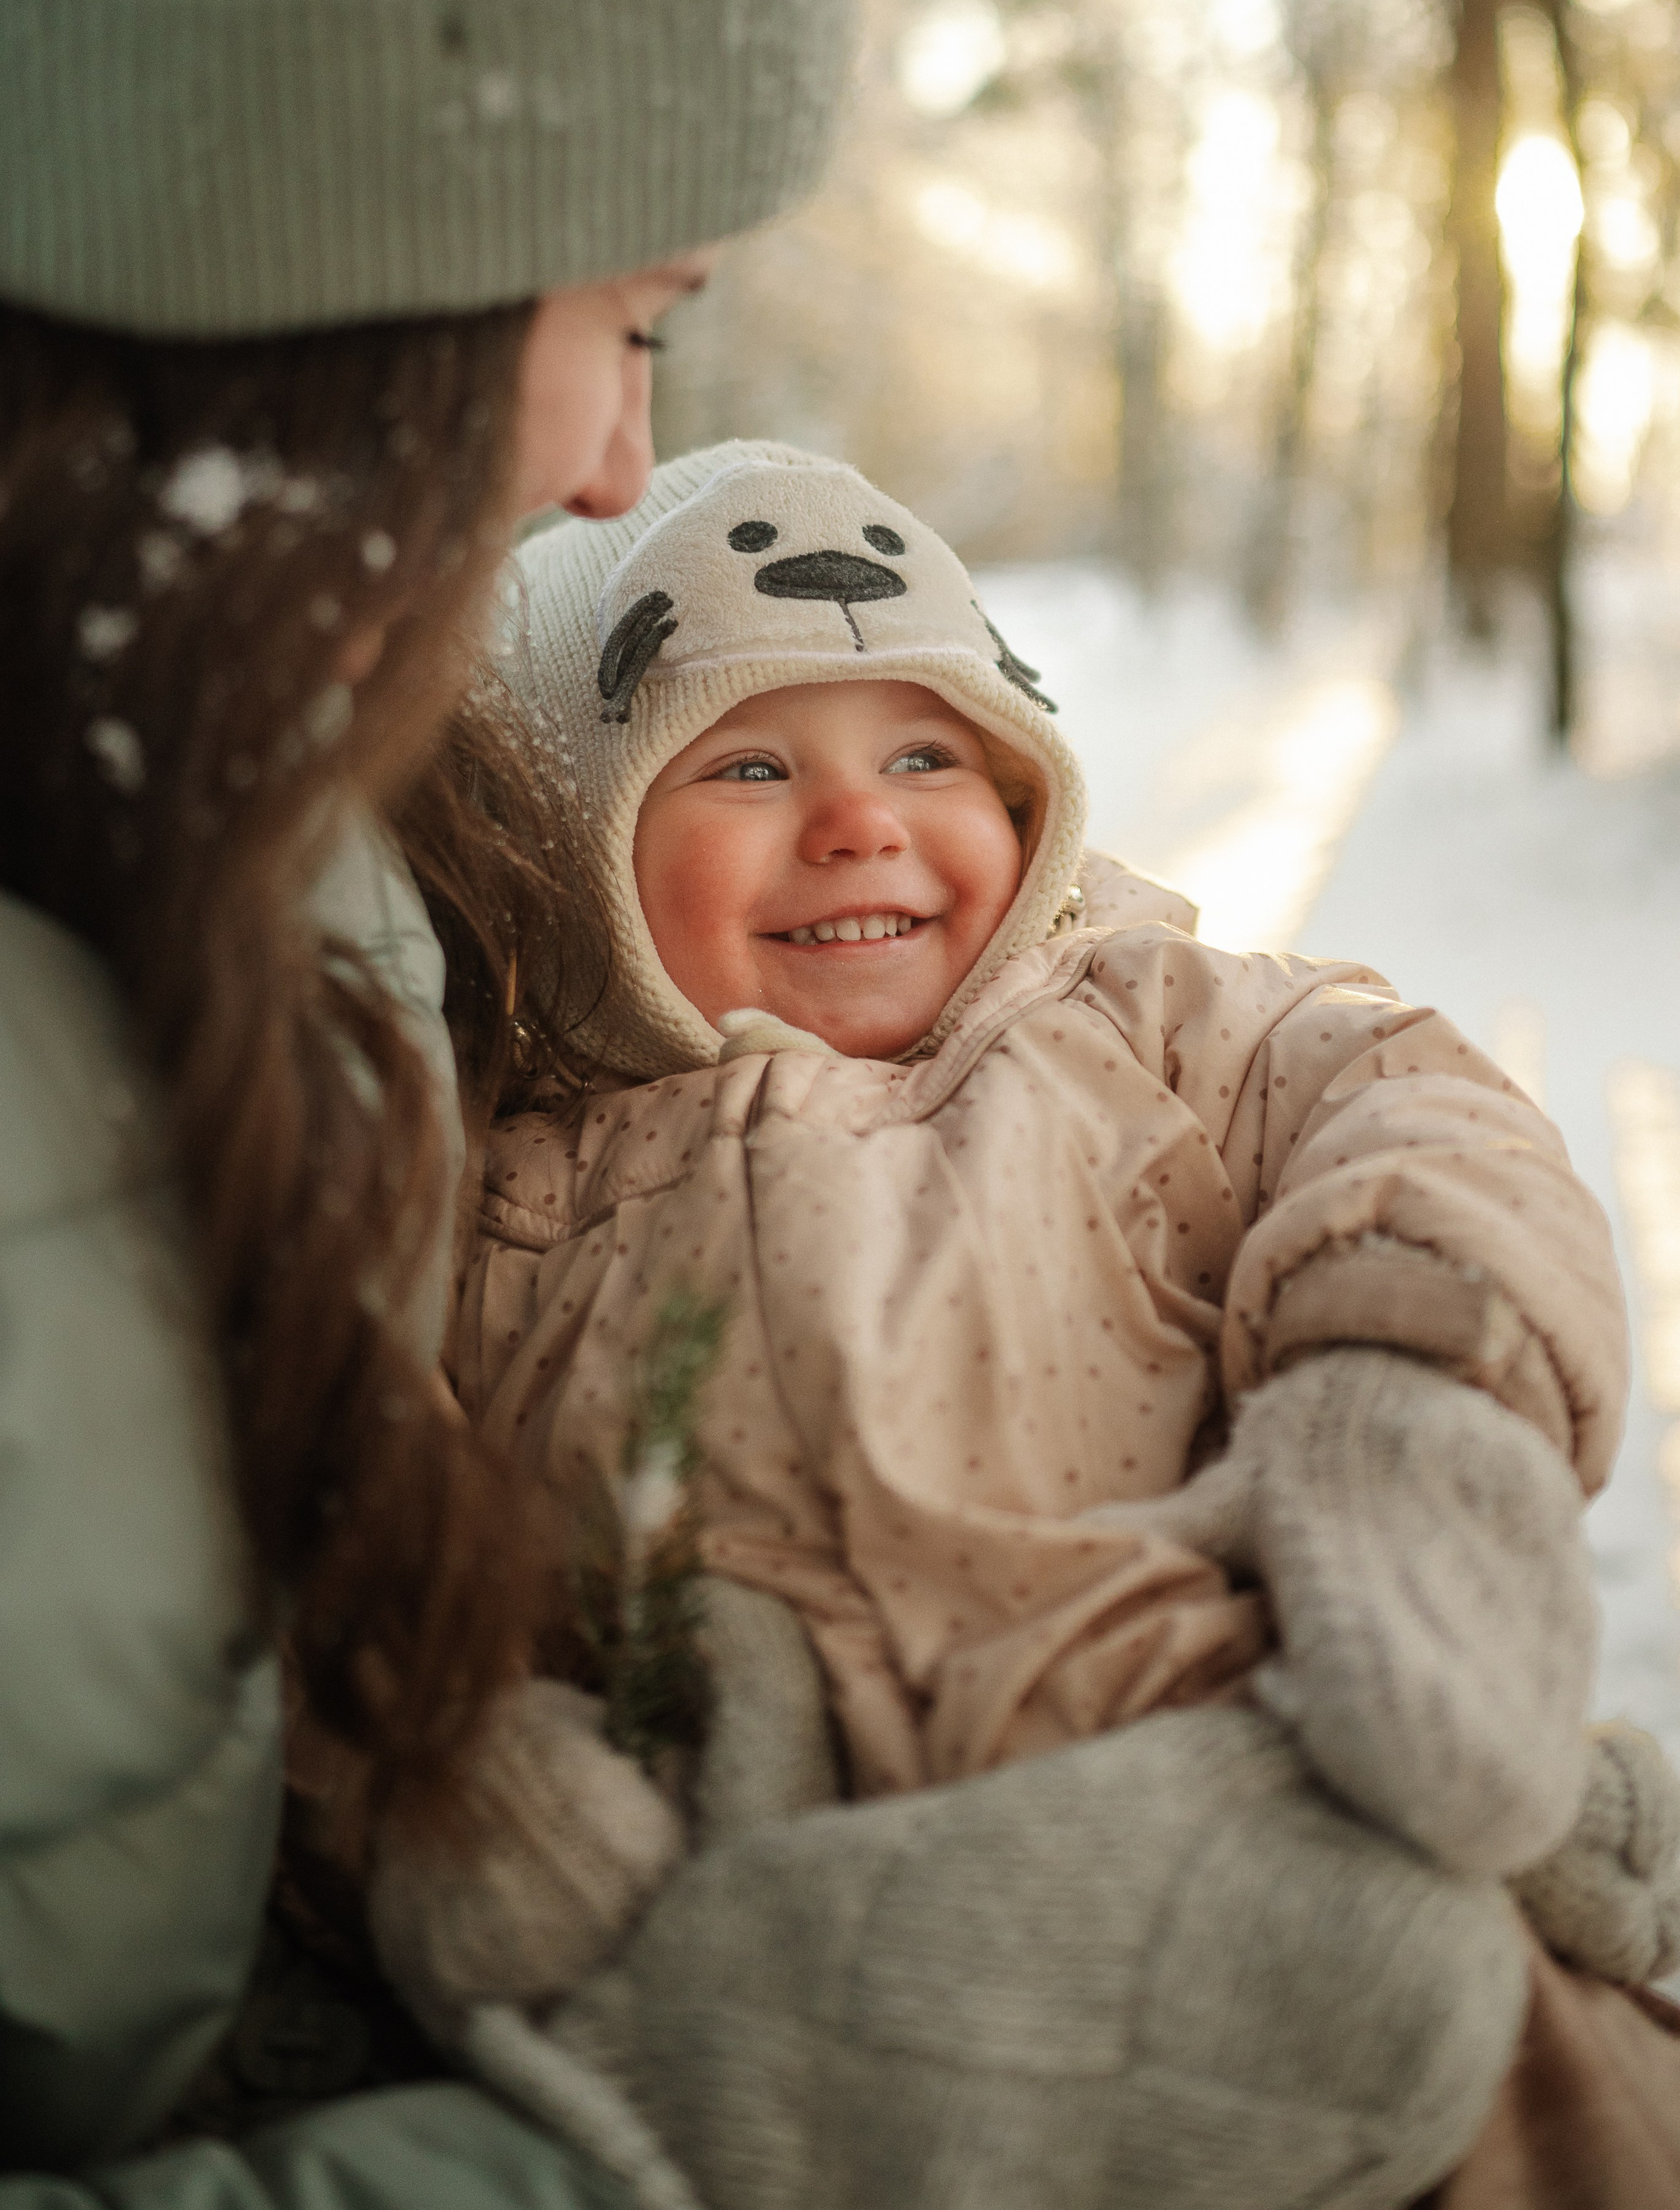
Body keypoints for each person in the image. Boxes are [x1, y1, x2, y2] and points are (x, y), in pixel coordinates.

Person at [402, 442, 1680, 2210]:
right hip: (863, 1974)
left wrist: (1411, 1403)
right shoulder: (503, 1195)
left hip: (1251, 1768)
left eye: (928, 753)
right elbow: (354, 1514)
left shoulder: (1137, 1018)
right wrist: (469, 1774)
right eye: (751, 764)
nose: (858, 822)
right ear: (575, 849)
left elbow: (1415, 1103)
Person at [0, 0, 851, 2196]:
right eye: (628, 312)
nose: (619, 459)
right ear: (310, 271)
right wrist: (739, 2137)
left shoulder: (279, 821)